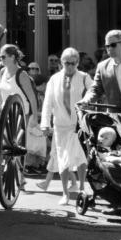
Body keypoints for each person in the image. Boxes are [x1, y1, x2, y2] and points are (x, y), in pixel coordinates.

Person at [40, 48, 90, 205]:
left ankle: (82, 187)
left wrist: (86, 100)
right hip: (60, 125)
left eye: (73, 63)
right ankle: (65, 194)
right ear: (62, 63)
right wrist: (44, 123)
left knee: (80, 156)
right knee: (62, 160)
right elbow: (47, 103)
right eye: (66, 63)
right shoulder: (54, 79)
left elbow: (93, 91)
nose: (69, 66)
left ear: (77, 62)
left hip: (79, 124)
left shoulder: (84, 77)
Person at [0, 44, 39, 189]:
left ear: (12, 57)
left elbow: (32, 98)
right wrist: (0, 109)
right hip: (6, 112)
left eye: (3, 56)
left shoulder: (22, 74)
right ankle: (15, 174)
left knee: (14, 145)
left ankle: (19, 175)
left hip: (21, 112)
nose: (0, 59)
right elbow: (1, 93)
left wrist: (34, 117)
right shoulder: (2, 71)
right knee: (5, 145)